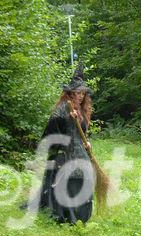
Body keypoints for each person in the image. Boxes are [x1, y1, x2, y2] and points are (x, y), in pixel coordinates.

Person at [38, 64, 94, 224]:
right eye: (78, 93)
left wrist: (87, 142)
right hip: (64, 152)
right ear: (70, 93)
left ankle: (81, 215)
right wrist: (67, 117)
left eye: (83, 93)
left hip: (80, 151)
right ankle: (67, 215)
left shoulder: (83, 111)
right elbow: (52, 130)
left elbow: (83, 132)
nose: (81, 96)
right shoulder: (62, 109)